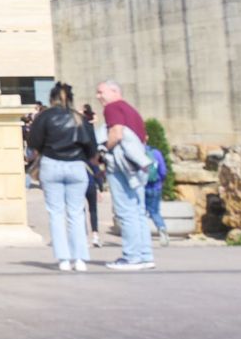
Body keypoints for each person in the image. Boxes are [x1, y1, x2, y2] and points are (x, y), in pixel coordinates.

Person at [27, 82, 98, 272]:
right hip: (76, 165)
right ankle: (80, 259)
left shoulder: (45, 117)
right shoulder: (79, 118)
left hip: (52, 163)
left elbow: (34, 141)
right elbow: (92, 147)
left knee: (56, 213)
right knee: (76, 213)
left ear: (52, 98)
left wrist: (44, 150)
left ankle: (63, 259)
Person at [96, 80, 155, 271]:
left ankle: (131, 257)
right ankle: (145, 255)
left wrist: (103, 150)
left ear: (114, 91)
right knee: (138, 212)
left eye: (101, 92)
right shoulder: (131, 110)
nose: (98, 97)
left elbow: (116, 133)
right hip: (138, 166)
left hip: (121, 167)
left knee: (125, 211)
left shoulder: (113, 108)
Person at [81, 104, 104, 247]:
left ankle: (83, 235)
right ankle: (95, 235)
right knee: (93, 209)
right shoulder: (92, 156)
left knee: (80, 210)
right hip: (91, 183)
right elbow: (96, 170)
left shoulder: (77, 157)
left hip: (79, 183)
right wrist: (100, 188)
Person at [143, 142, 171, 248]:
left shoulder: (138, 151)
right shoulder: (156, 153)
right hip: (156, 186)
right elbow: (163, 171)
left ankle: (143, 236)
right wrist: (161, 182)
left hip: (142, 187)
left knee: (141, 213)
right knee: (155, 212)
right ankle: (162, 228)